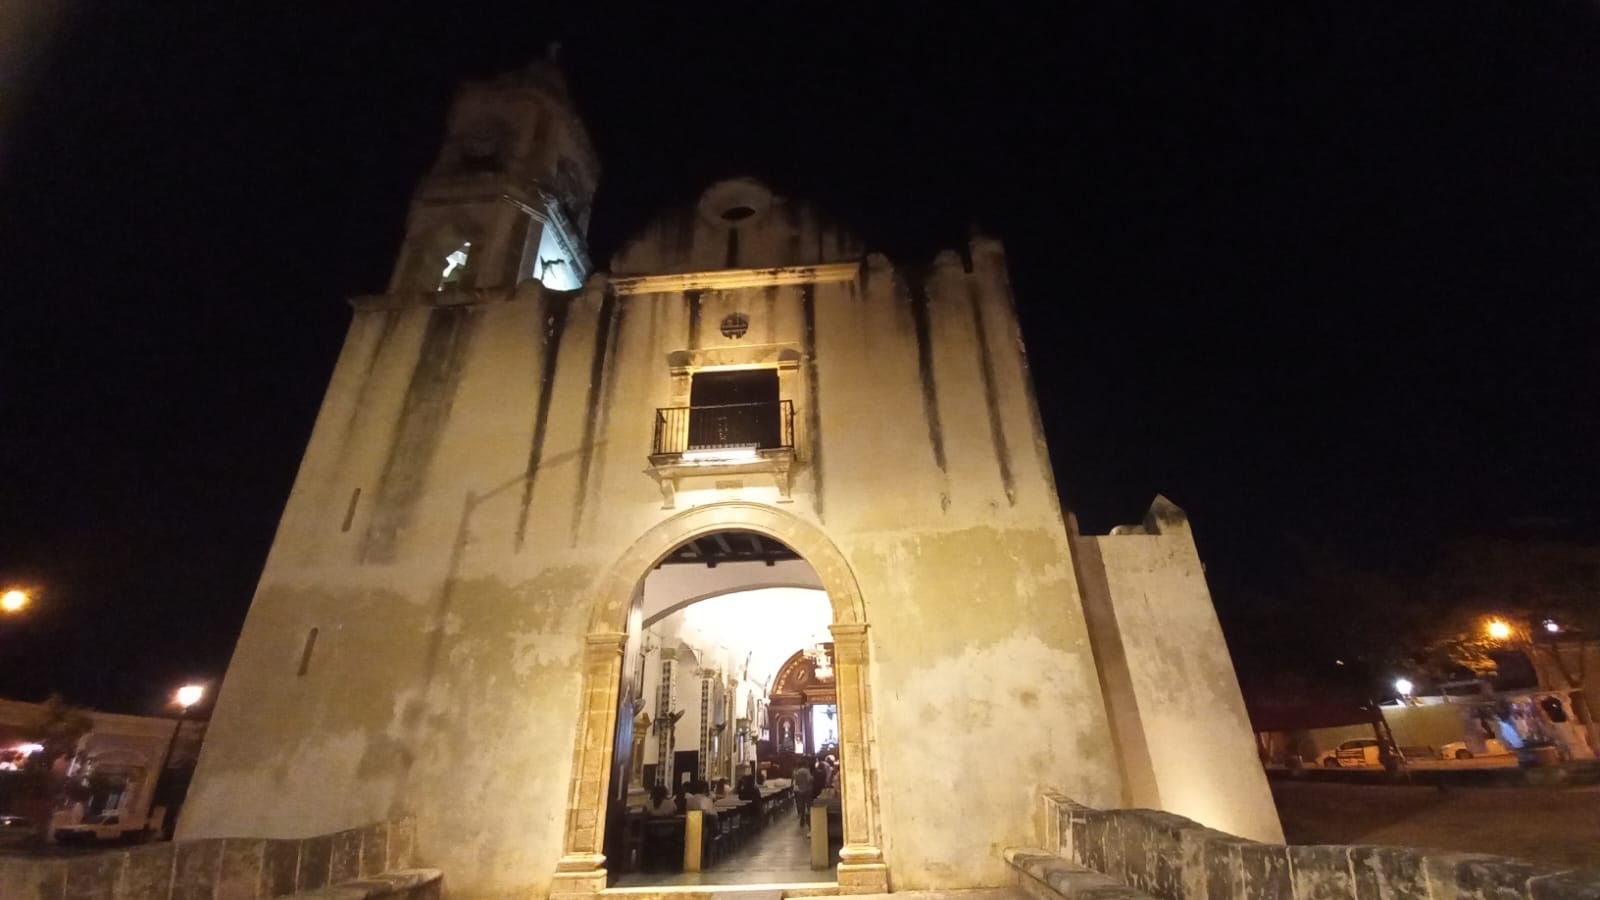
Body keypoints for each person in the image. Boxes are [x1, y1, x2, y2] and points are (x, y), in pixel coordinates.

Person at [791, 762, 813, 829]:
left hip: (800, 791)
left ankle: (802, 818)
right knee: (809, 805)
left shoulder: (797, 772)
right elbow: (810, 779)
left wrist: (801, 785)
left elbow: (796, 782)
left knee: (802, 805)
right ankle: (809, 819)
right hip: (807, 791)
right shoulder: (806, 771)